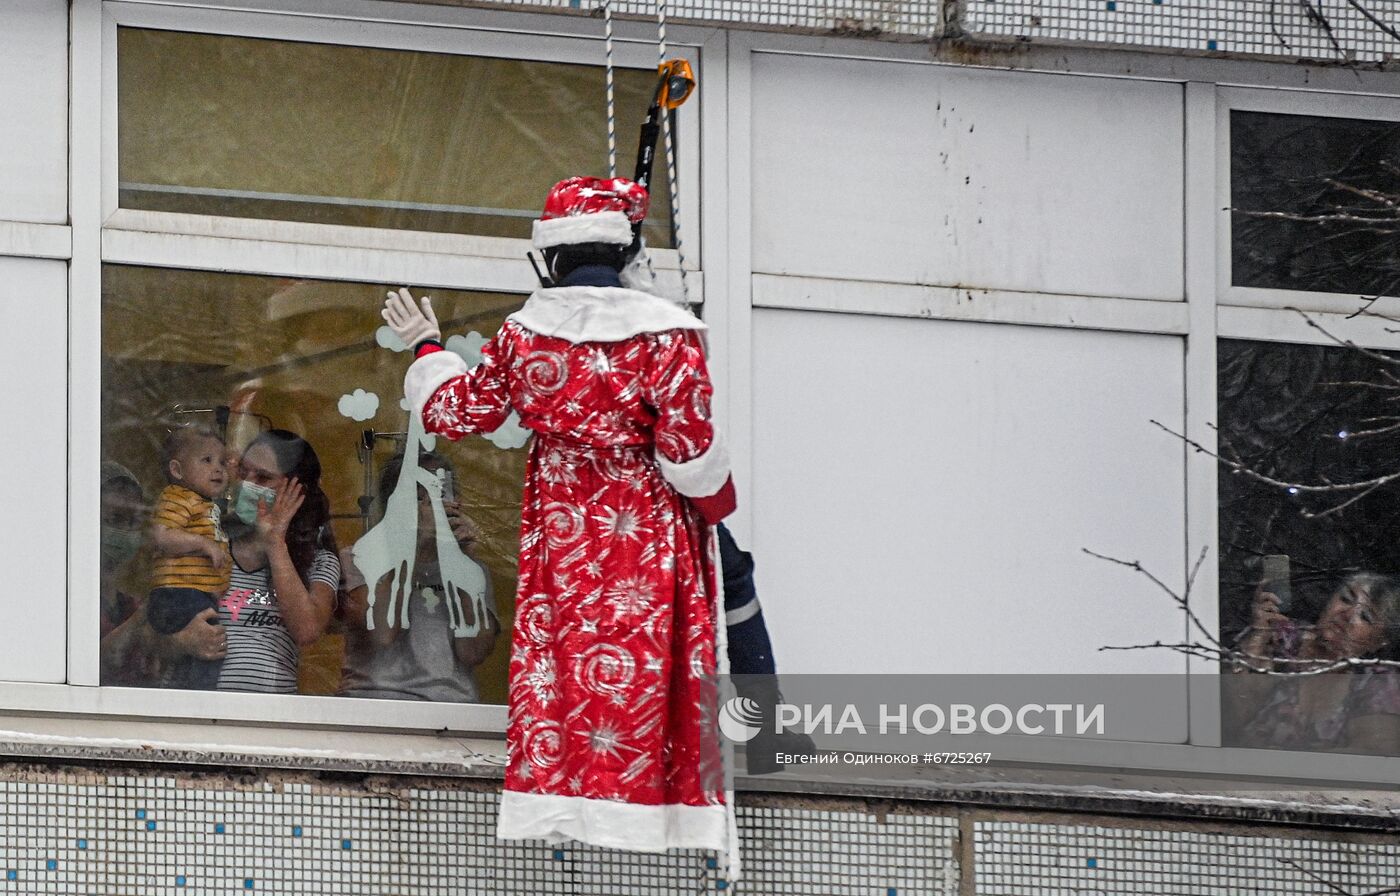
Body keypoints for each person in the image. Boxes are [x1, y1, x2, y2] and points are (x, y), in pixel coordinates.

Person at [382, 176, 736, 853]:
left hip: (565, 533)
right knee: (643, 665)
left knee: (566, 667)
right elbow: (693, 454)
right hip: (648, 532)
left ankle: (564, 805)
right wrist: (717, 511)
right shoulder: (671, 338)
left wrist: (429, 349)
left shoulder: (524, 336)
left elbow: (460, 412)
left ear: (550, 257)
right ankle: (652, 807)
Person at [339, 450, 500, 702]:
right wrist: (414, 546)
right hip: (375, 704)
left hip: (450, 710)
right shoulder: (360, 558)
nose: (430, 508)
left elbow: (474, 651)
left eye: (439, 495)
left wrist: (461, 561)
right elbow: (383, 632)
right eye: (418, 498)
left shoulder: (470, 568)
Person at [216, 429, 340, 694]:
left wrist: (275, 543)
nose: (247, 484)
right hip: (203, 712)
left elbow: (307, 631)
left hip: (272, 717)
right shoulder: (211, 543)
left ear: (296, 490)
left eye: (262, 477)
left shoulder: (320, 561)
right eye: (243, 473)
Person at [1227, 571, 1400, 754]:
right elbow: (1229, 718)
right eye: (1346, 599)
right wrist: (1258, 638)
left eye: (1365, 616)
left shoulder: (1376, 681)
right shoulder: (1280, 638)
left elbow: (1373, 754)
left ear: (1379, 642)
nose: (1347, 614)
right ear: (1329, 601)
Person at [98, 462, 227, 686]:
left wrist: (184, 641)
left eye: (133, 522)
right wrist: (145, 615)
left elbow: (155, 643)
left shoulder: (128, 604)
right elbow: (87, 665)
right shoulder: (67, 600)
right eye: (115, 518)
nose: (125, 531)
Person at [147, 426, 232, 689]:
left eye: (222, 462)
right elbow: (161, 535)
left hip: (196, 593)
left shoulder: (205, 504)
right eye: (206, 460)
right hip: (180, 593)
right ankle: (200, 701)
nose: (217, 469)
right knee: (210, 647)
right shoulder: (178, 497)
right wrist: (202, 543)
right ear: (177, 471)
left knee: (197, 652)